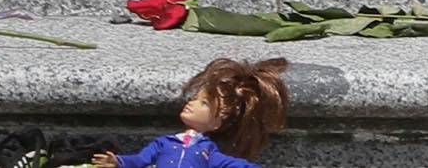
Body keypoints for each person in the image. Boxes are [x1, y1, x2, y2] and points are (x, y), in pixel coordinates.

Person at [91, 59, 288, 168]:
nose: (191, 104)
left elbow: (232, 164)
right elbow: (141, 160)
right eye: (195, 98)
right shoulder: (164, 143)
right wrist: (118, 161)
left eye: (204, 103)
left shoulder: (207, 151)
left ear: (220, 121)